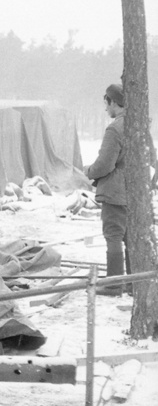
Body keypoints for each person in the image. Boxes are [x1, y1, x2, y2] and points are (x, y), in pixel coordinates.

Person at [84, 84, 128, 297]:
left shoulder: (115, 128)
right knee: (130, 238)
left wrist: (89, 172)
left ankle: (113, 285)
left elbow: (104, 165)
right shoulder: (138, 125)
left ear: (113, 102)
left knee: (113, 235)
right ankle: (133, 283)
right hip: (134, 192)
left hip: (115, 191)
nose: (105, 109)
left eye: (106, 103)